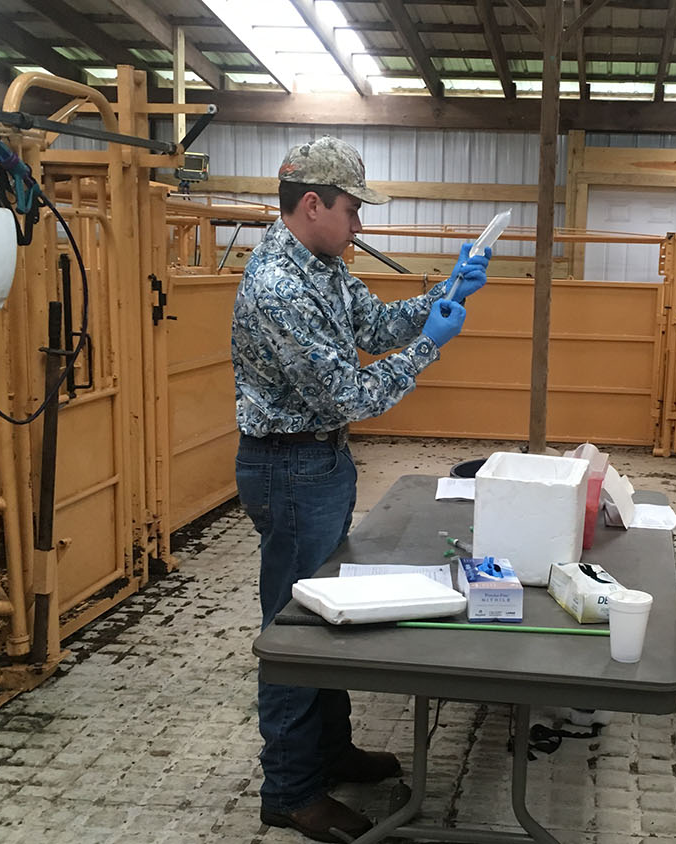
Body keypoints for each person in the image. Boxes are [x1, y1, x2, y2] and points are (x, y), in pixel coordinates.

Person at [232, 136, 490, 841]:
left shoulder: (320, 264)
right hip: (290, 469)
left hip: (316, 465)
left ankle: (330, 751)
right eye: (352, 210)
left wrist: (447, 291)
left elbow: (373, 325)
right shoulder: (278, 287)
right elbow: (348, 393)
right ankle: (289, 789)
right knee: (293, 632)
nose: (360, 226)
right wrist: (429, 347)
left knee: (322, 616)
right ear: (311, 203)